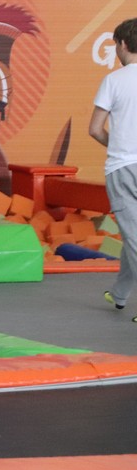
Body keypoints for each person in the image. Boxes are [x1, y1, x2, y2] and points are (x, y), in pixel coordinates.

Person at [89, 18, 137, 321]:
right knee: (133, 236)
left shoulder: (114, 80)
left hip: (123, 167)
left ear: (122, 44)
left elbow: (95, 129)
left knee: (133, 237)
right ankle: (120, 293)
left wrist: (117, 144)